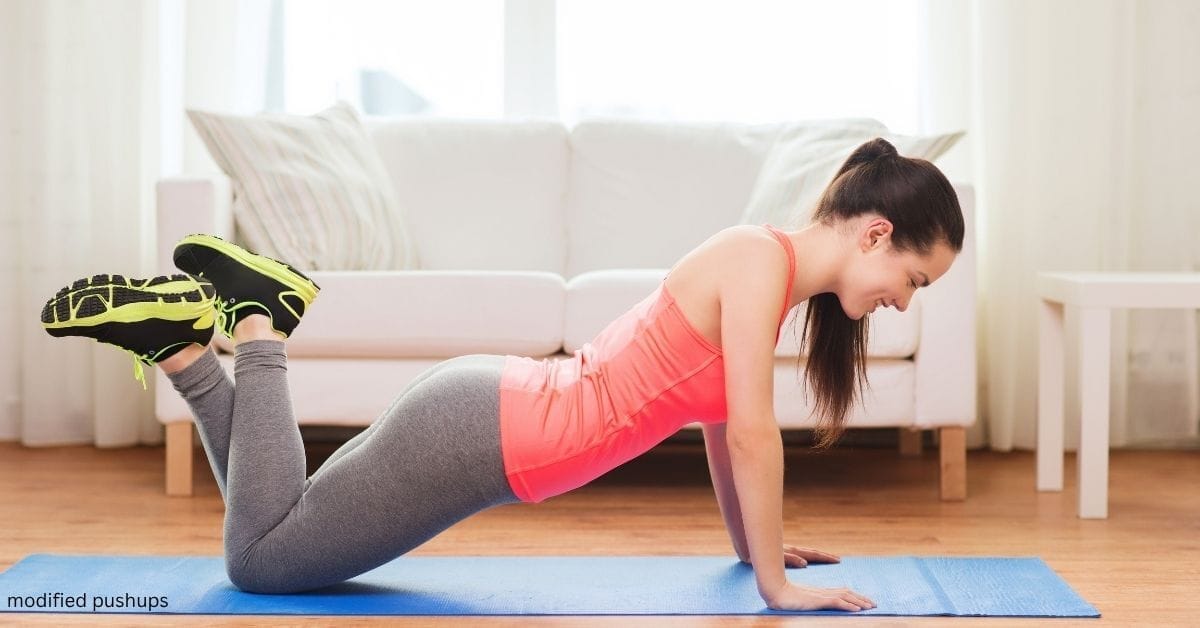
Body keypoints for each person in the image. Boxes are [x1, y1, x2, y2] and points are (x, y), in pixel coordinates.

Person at [40, 137, 961, 612]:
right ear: (875, 231)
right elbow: (758, 434)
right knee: (261, 562)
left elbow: (722, 428)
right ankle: (258, 324)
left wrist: (753, 551)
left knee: (275, 524)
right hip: (483, 436)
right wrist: (774, 589)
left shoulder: (764, 270)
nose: (905, 301)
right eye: (912, 279)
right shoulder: (758, 263)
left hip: (484, 417)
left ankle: (181, 346)